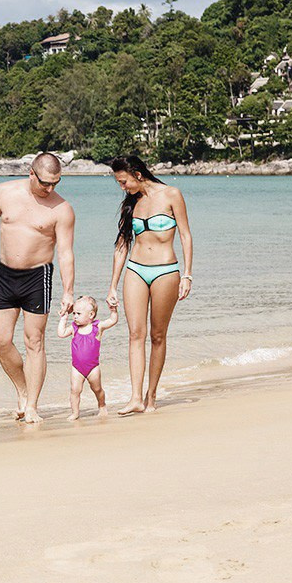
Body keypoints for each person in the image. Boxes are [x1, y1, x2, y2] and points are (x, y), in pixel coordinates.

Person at [0, 153, 76, 423]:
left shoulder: (62, 209)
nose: (50, 189)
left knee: (34, 342)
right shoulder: (4, 192)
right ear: (31, 173)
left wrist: (68, 291)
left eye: (55, 183)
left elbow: (65, 253)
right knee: (0, 340)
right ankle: (22, 389)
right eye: (45, 183)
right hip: (4, 275)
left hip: (38, 277)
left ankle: (33, 407)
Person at [105, 155, 194, 415]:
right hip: (135, 270)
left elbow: (186, 236)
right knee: (135, 334)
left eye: (123, 181)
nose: (122, 187)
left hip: (166, 271)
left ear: (138, 175)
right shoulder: (132, 202)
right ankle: (135, 398)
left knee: (157, 336)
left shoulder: (171, 195)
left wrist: (187, 274)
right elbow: (122, 245)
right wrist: (112, 284)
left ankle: (151, 396)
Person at [56, 296, 118, 420]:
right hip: (77, 368)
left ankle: (102, 405)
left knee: (97, 389)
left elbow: (112, 321)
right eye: (74, 313)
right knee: (75, 390)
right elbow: (61, 333)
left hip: (93, 368)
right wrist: (64, 318)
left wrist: (113, 310)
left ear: (91, 314)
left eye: (78, 313)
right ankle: (75, 412)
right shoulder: (74, 328)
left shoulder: (97, 327)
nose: (75, 316)